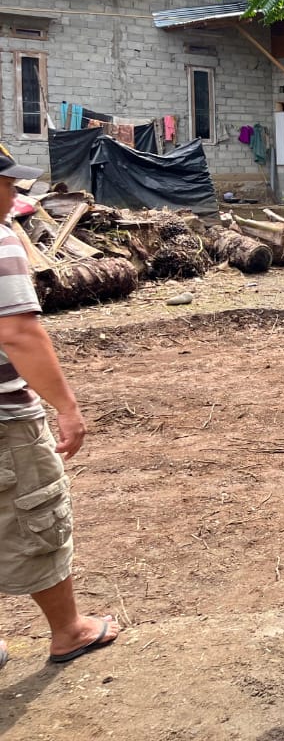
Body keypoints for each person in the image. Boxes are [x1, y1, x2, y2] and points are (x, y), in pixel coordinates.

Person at [0, 145, 120, 666]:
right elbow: (17, 333)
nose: (15, 195)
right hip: (4, 418)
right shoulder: (0, 240)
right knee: (36, 511)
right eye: (8, 184)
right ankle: (69, 631)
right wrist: (67, 408)